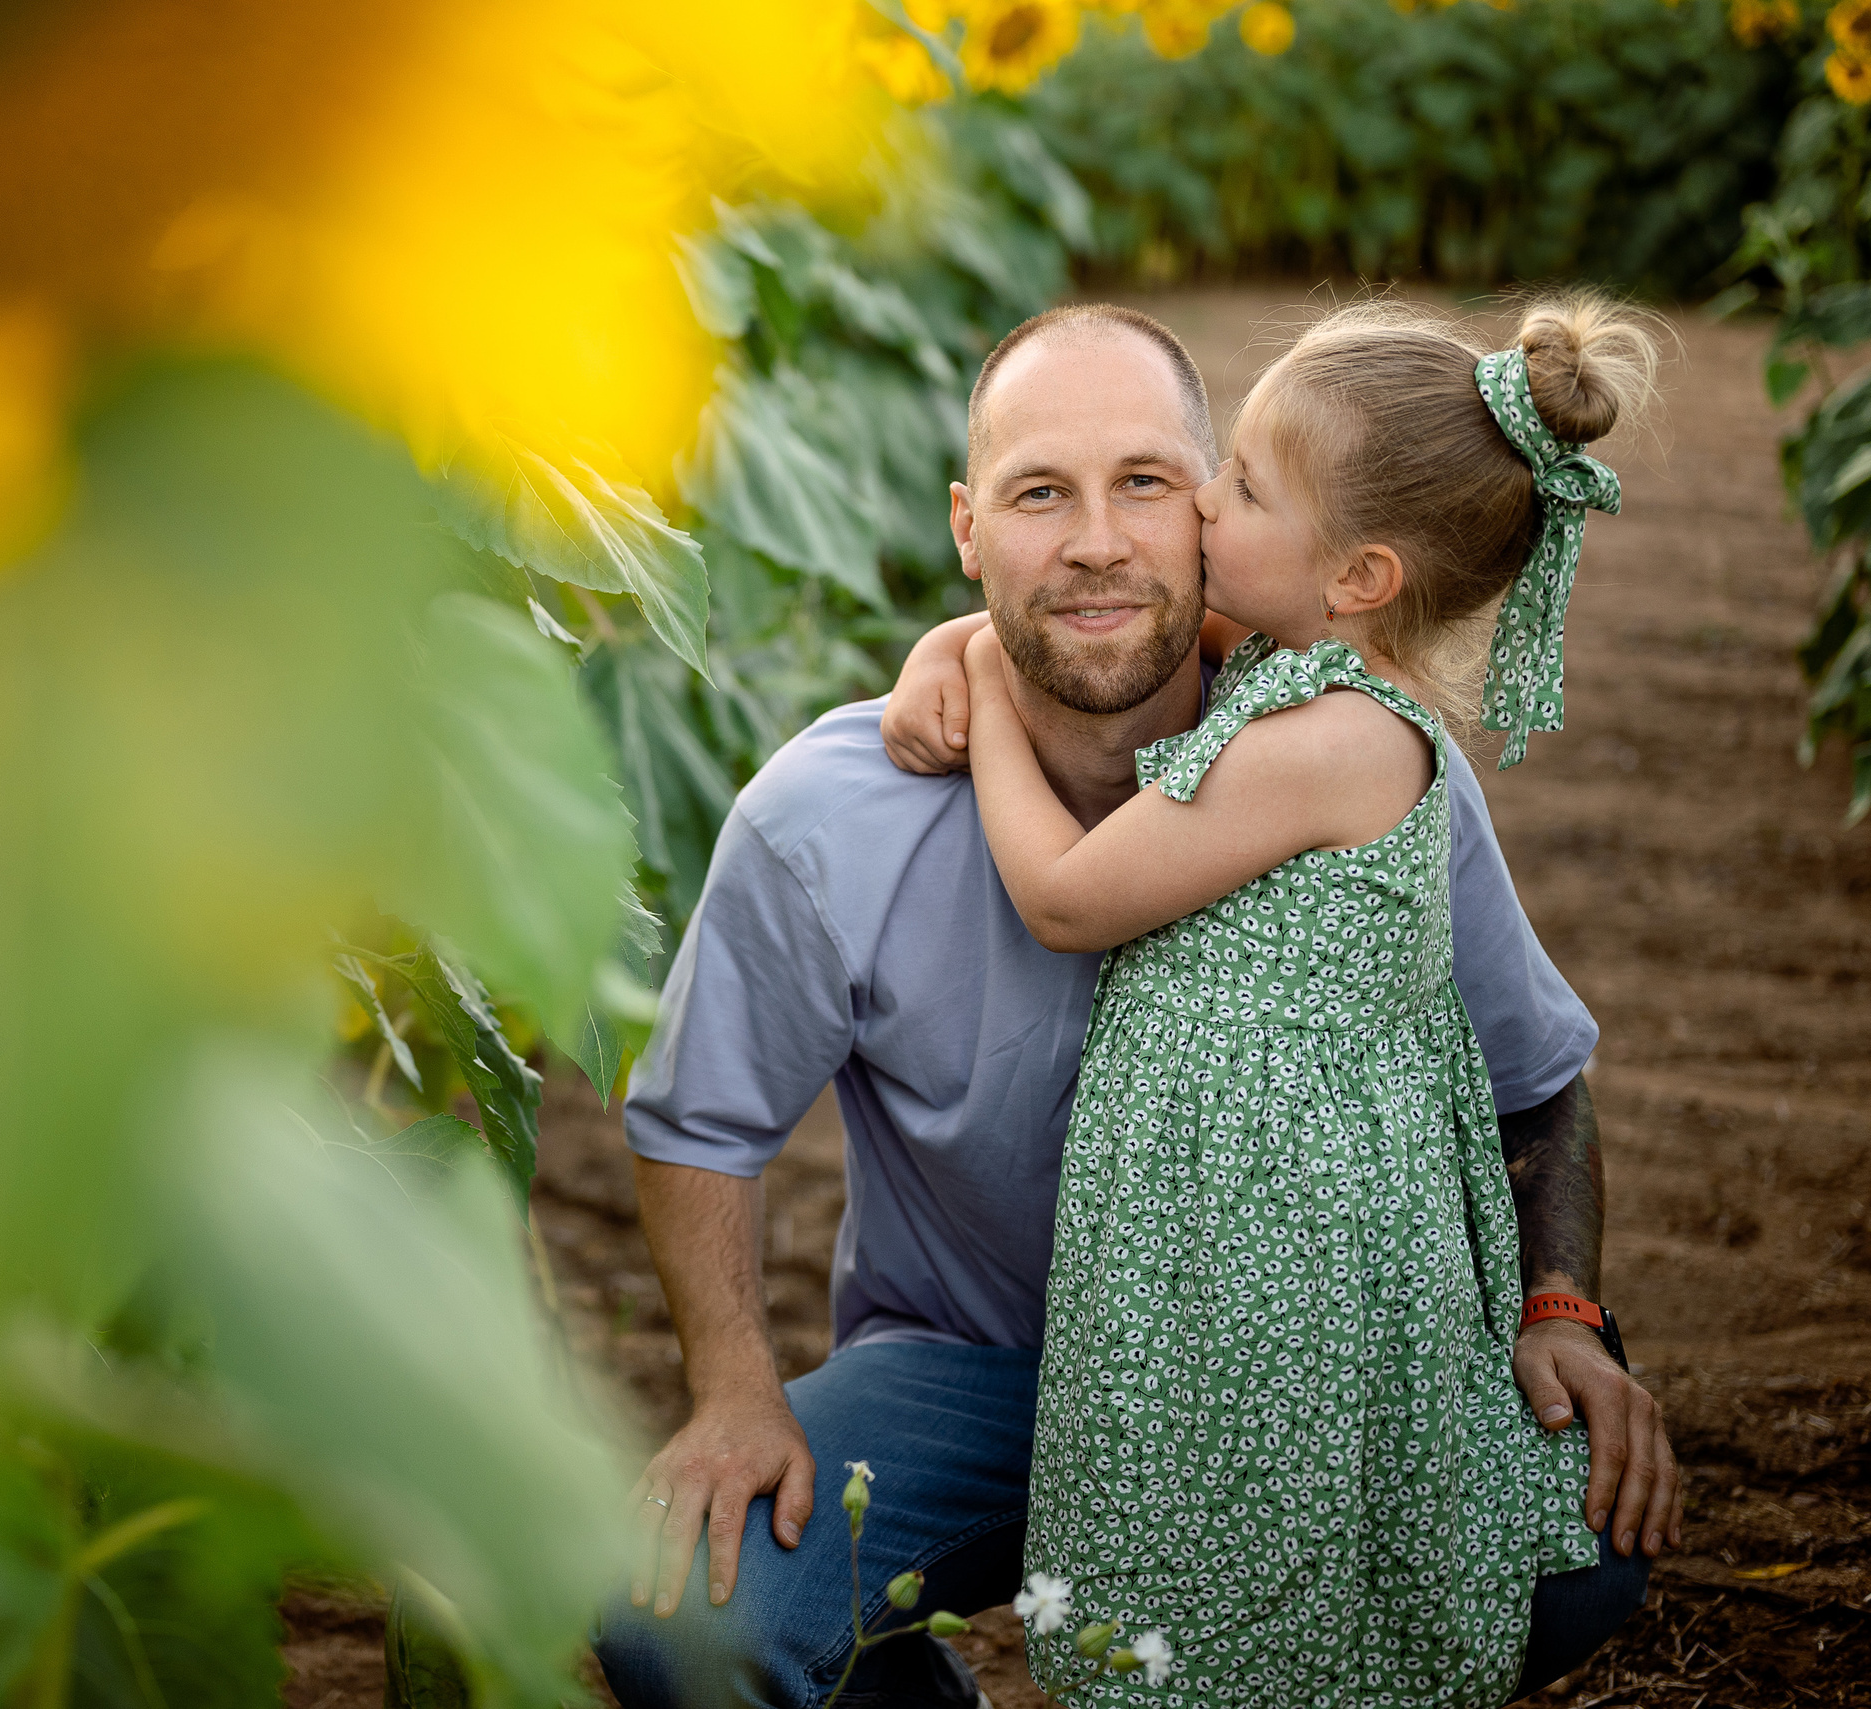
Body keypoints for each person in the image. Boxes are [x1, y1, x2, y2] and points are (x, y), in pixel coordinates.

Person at [593, 301, 1681, 1709]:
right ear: (968, 529)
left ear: (1209, 519)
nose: (1100, 539)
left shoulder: (1346, 760)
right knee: (683, 1615)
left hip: (1301, 1361)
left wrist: (1560, 1310)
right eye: (1041, 492)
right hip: (979, 1378)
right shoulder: (828, 814)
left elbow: (1539, 1080)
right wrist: (734, 1389)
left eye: (1150, 484)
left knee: (1577, 1535)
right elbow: (699, 1124)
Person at [944, 292, 1653, 1704]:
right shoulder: (1297, 666)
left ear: (1362, 577)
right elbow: (1102, 623)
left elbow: (1067, 897)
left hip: (1275, 1243)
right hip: (1240, 1220)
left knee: (1266, 1548)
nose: (1203, 500)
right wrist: (951, 635)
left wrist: (972, 663)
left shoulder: (1331, 739)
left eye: (1245, 484)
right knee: (1229, 1533)